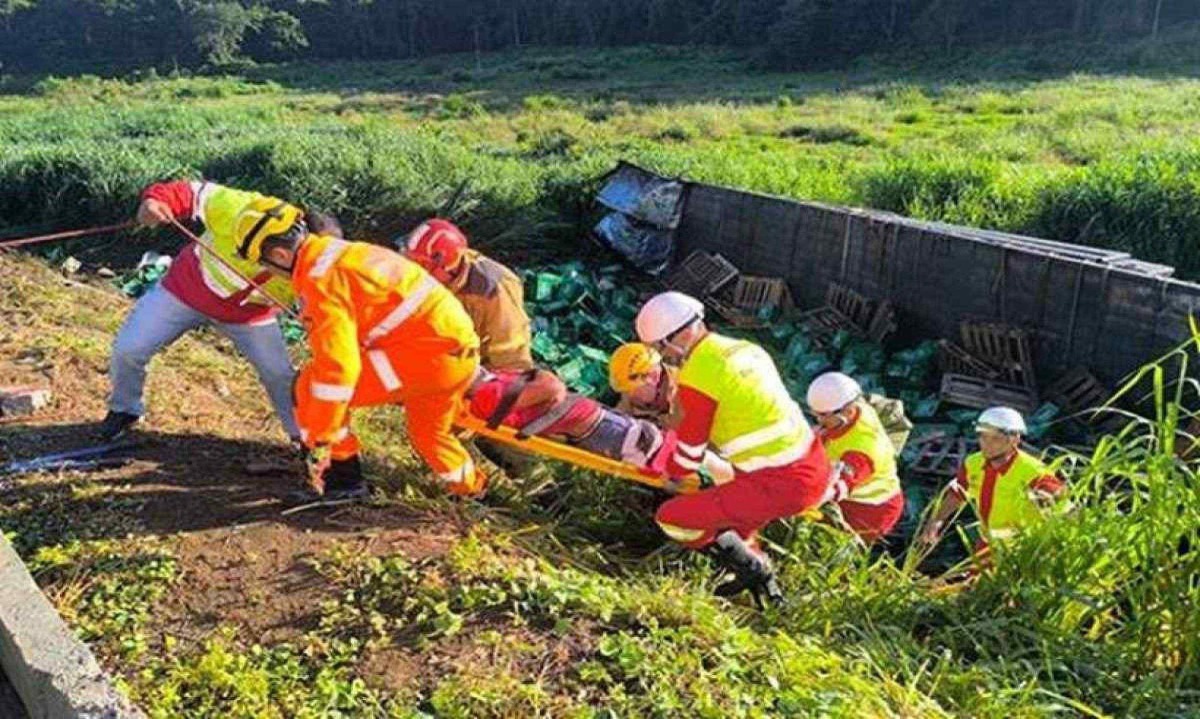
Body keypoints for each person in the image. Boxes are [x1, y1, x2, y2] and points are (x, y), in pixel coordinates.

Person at [235, 195, 486, 500]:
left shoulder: (319, 279)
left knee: (309, 387)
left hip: (425, 360)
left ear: (279, 254)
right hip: (456, 356)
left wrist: (321, 435)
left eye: (264, 263)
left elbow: (338, 370)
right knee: (429, 435)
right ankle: (473, 492)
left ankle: (345, 483)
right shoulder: (343, 252)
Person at [636, 291, 830, 606]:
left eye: (660, 347)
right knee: (739, 531)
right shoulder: (744, 350)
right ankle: (767, 593)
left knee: (672, 517)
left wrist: (671, 477)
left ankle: (755, 568)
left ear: (680, 335)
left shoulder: (699, 374)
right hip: (811, 465)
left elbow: (690, 450)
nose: (662, 356)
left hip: (778, 483)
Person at [100, 180, 301, 442]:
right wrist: (155, 203)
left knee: (280, 375)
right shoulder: (240, 206)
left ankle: (305, 438)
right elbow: (188, 192)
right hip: (183, 292)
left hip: (250, 317)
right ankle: (124, 409)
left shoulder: (313, 265)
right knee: (129, 349)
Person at [920, 406, 1066, 553]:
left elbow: (1063, 503)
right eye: (983, 436)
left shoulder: (1034, 471)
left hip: (1022, 550)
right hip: (987, 543)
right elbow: (958, 493)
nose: (986, 444)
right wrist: (936, 521)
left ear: (1015, 439)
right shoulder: (973, 463)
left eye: (995, 439)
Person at [402, 219, 532, 371]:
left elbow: (511, 351)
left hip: (479, 367)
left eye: (423, 265)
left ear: (448, 266)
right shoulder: (416, 276)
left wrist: (502, 388)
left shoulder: (494, 287)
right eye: (412, 262)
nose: (416, 271)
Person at [806, 372, 905, 543]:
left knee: (827, 547)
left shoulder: (862, 450)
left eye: (823, 415)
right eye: (816, 414)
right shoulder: (858, 408)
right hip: (859, 499)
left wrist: (800, 504)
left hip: (870, 512)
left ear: (847, 411)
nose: (819, 420)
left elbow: (839, 487)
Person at [609, 342, 679, 425]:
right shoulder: (625, 421)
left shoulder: (684, 378)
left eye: (654, 371)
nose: (655, 380)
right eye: (644, 377)